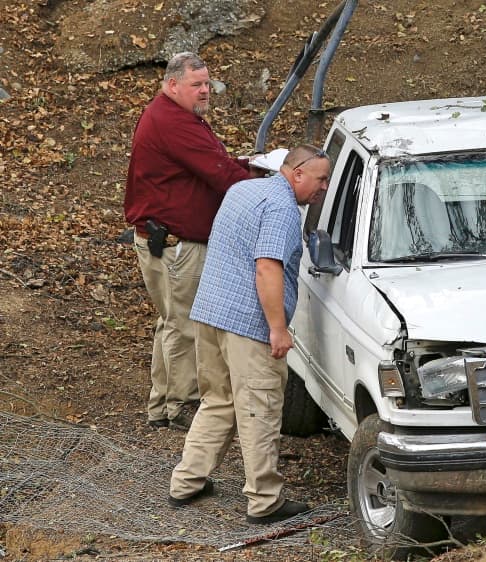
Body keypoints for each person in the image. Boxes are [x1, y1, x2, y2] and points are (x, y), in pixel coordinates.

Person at [168, 145, 330, 524]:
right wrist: (278, 328)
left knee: (218, 400)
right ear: (297, 173)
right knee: (260, 410)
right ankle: (264, 501)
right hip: (248, 324)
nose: (324, 187)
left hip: (210, 312)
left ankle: (187, 482)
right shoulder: (283, 211)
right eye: (321, 179)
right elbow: (267, 269)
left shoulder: (242, 190)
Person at [124, 52, 255, 430]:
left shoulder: (174, 116)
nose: (204, 91)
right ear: (172, 85)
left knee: (171, 321)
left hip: (163, 241)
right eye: (196, 84)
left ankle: (161, 405)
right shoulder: (173, 122)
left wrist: (247, 165)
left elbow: (212, 164)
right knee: (184, 324)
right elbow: (220, 175)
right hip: (176, 246)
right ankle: (181, 405)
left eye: (206, 83)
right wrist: (267, 187)